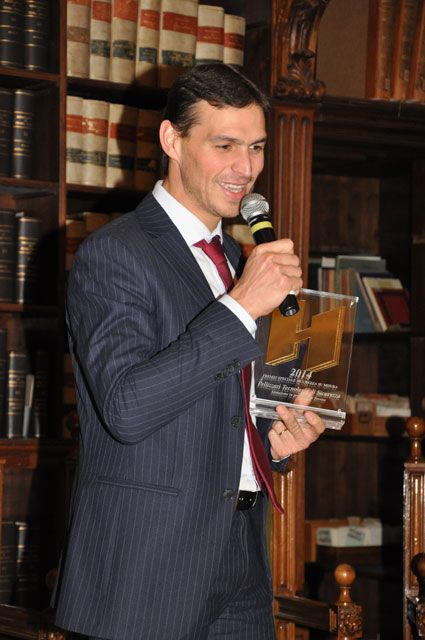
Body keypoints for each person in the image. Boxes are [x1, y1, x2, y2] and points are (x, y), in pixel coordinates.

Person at [52, 63, 325, 640]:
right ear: (172, 140)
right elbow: (127, 408)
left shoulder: (240, 263)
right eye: (224, 145)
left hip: (241, 558)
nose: (246, 168)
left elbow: (225, 412)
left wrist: (276, 443)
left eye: (256, 147)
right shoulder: (115, 253)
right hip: (147, 568)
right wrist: (241, 306)